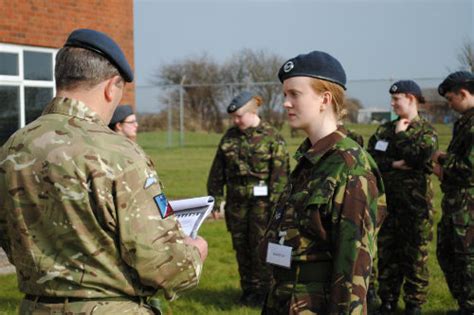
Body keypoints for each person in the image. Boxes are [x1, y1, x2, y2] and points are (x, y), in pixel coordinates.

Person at [0, 28, 207, 315]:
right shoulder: (119, 154)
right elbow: (163, 265)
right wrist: (196, 253)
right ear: (112, 87)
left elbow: (9, 236)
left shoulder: (12, 148)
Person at [260, 51, 386, 314]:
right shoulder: (312, 160)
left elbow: (352, 271)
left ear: (324, 99)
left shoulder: (349, 167)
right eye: (285, 95)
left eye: (294, 94)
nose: (285, 103)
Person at [207, 91, 290, 306]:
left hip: (264, 208)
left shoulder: (272, 137)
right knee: (241, 248)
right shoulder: (229, 138)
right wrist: (215, 200)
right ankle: (248, 290)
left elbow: (280, 177)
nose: (235, 121)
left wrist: (277, 211)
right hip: (237, 207)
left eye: (239, 116)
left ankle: (265, 292)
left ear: (252, 112)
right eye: (233, 117)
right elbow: (217, 172)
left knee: (262, 248)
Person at [367, 80, 438, 314]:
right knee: (388, 255)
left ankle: (414, 304)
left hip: (415, 207)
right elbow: (371, 161)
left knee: (415, 256)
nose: (392, 103)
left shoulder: (426, 131)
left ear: (411, 98)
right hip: (388, 206)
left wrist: (401, 137)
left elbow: (420, 157)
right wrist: (395, 163)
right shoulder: (384, 130)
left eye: (396, 99)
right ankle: (387, 301)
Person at [433, 71, 474, 315]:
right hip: (457, 204)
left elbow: (470, 168)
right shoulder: (465, 121)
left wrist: (442, 160)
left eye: (451, 98)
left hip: (468, 206)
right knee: (449, 253)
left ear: (463, 93)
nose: (450, 104)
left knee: (467, 258)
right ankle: (465, 304)